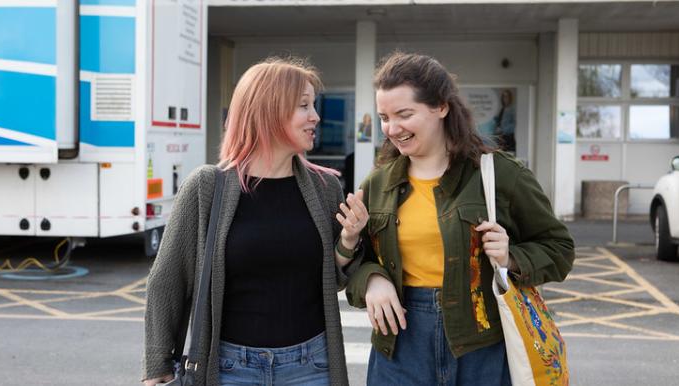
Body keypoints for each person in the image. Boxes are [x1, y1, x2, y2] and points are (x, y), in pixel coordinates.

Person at [344, 52, 575, 385]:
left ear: (441, 107)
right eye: (383, 117)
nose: (392, 129)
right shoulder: (378, 183)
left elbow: (560, 249)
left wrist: (512, 256)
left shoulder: (500, 174)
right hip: (398, 346)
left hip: (481, 346)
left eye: (404, 114)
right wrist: (371, 279)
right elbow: (355, 259)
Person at [142, 57, 365, 386]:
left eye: (313, 105)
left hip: (311, 366)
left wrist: (348, 241)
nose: (315, 116)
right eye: (304, 106)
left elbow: (333, 280)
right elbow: (166, 282)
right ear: (269, 111)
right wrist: (157, 366)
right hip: (230, 369)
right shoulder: (206, 187)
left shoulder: (325, 187)